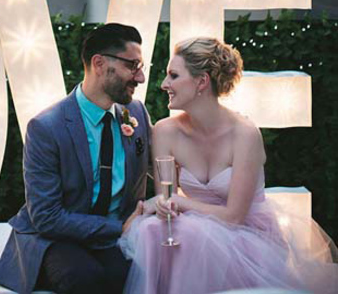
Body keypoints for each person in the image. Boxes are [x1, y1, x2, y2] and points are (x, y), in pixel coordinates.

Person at [120, 36, 338, 294]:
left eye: (174, 76)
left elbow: (234, 217)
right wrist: (159, 207)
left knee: (188, 233)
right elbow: (165, 199)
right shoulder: (166, 131)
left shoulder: (244, 134)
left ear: (202, 82)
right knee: (155, 229)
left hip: (249, 239)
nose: (164, 84)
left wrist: (179, 202)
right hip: (193, 233)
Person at [0, 23, 152, 294]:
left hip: (113, 237)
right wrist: (118, 227)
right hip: (57, 238)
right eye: (132, 66)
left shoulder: (135, 111)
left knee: (134, 276)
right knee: (84, 278)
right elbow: (46, 216)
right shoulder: (46, 127)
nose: (140, 78)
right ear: (99, 63)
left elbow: (154, 172)